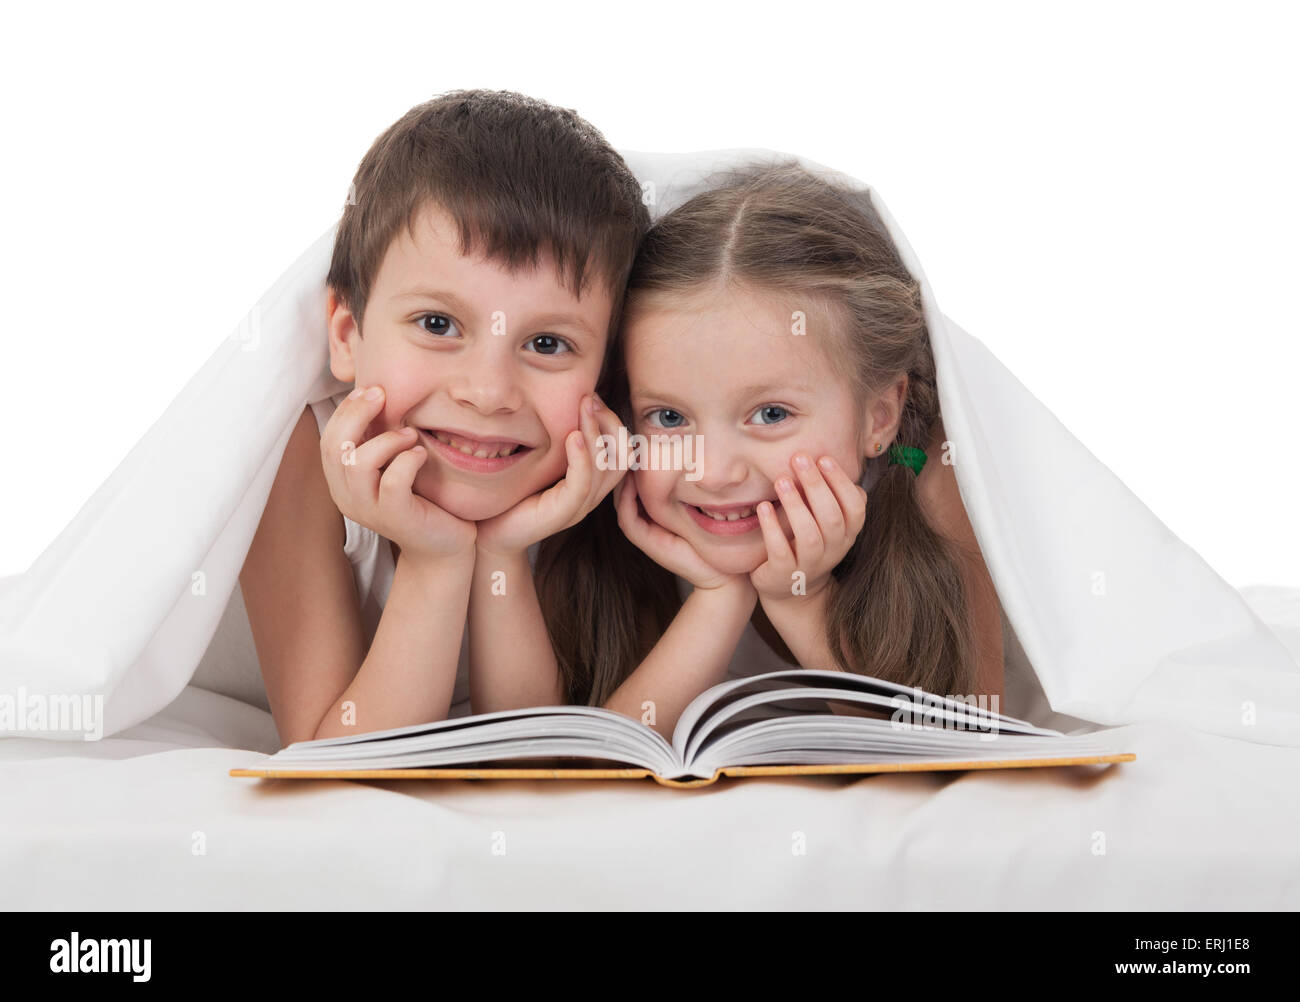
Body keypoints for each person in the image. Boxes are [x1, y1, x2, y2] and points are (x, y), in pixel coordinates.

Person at [536, 160, 1006, 738]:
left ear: (879, 415)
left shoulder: (931, 476)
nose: (713, 473)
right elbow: (583, 770)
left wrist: (800, 602)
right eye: (668, 417)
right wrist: (719, 597)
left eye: (772, 414)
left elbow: (970, 746)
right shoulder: (598, 520)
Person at [239, 90, 645, 746]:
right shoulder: (295, 447)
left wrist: (502, 554)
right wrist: (437, 560)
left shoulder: (587, 474)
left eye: (547, 344)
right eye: (438, 324)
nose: (488, 393)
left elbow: (524, 757)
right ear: (347, 335)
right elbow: (333, 758)